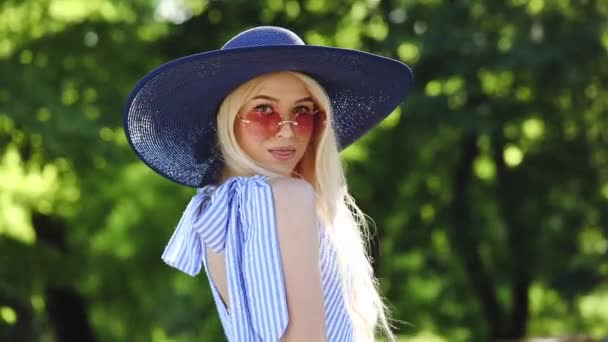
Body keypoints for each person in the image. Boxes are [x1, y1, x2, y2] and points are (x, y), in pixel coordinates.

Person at [123, 26, 413, 341]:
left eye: (302, 111)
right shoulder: (287, 195)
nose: (287, 131)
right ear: (228, 119)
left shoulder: (214, 208)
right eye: (264, 110)